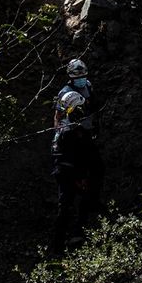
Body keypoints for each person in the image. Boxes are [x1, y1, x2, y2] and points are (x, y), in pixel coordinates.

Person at [49, 86, 102, 253]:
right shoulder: (73, 131)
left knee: (65, 205)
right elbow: (78, 155)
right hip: (71, 172)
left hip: (63, 171)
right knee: (78, 201)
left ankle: (58, 245)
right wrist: (81, 177)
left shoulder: (62, 128)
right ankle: (76, 234)